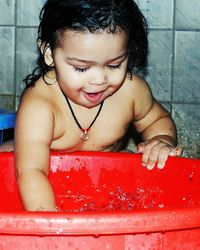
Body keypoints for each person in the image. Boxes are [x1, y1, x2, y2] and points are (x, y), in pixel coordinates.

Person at [14, 0, 181, 211]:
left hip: (96, 179)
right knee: (9, 163)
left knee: (132, 164)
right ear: (49, 53)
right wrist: (52, 223)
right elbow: (31, 171)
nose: (99, 80)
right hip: (35, 176)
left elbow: (156, 119)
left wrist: (161, 140)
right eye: (81, 68)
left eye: (114, 65)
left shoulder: (130, 92)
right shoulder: (40, 105)